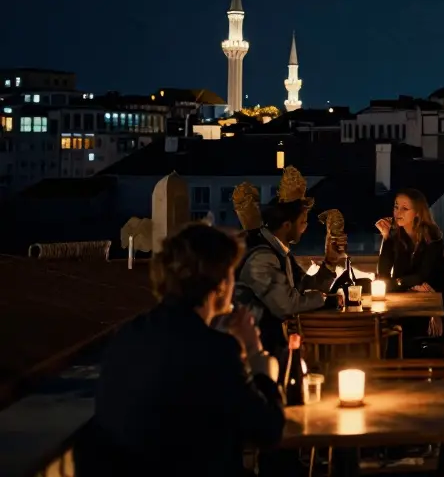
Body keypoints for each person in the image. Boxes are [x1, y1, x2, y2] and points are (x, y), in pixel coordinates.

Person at [82, 224, 284, 476]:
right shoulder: (216, 349)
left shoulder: (128, 335)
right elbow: (268, 431)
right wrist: (258, 359)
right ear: (221, 285)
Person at [234, 167, 344, 371]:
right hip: (256, 348)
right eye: (302, 222)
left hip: (275, 341)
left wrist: (330, 262)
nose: (305, 228)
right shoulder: (262, 257)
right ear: (286, 225)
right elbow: (287, 304)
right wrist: (324, 299)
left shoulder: (281, 253)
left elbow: (303, 288)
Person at [375, 187, 444, 355]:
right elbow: (382, 276)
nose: (398, 212)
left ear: (418, 213)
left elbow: (423, 276)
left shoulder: (432, 238)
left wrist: (399, 283)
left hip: (439, 302)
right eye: (396, 206)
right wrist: (386, 239)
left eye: (404, 208)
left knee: (420, 341)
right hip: (409, 302)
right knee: (389, 332)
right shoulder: (396, 237)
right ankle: (397, 373)